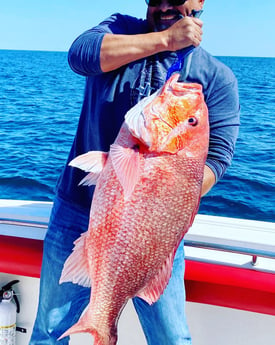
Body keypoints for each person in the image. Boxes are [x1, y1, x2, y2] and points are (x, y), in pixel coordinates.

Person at [29, 0, 240, 344]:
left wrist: (163, 196)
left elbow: (218, 156)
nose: (165, 4)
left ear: (200, 1)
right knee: (49, 333)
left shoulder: (216, 78)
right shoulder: (120, 30)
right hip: (76, 211)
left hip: (154, 234)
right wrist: (166, 41)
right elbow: (80, 54)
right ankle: (101, 324)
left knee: (172, 338)